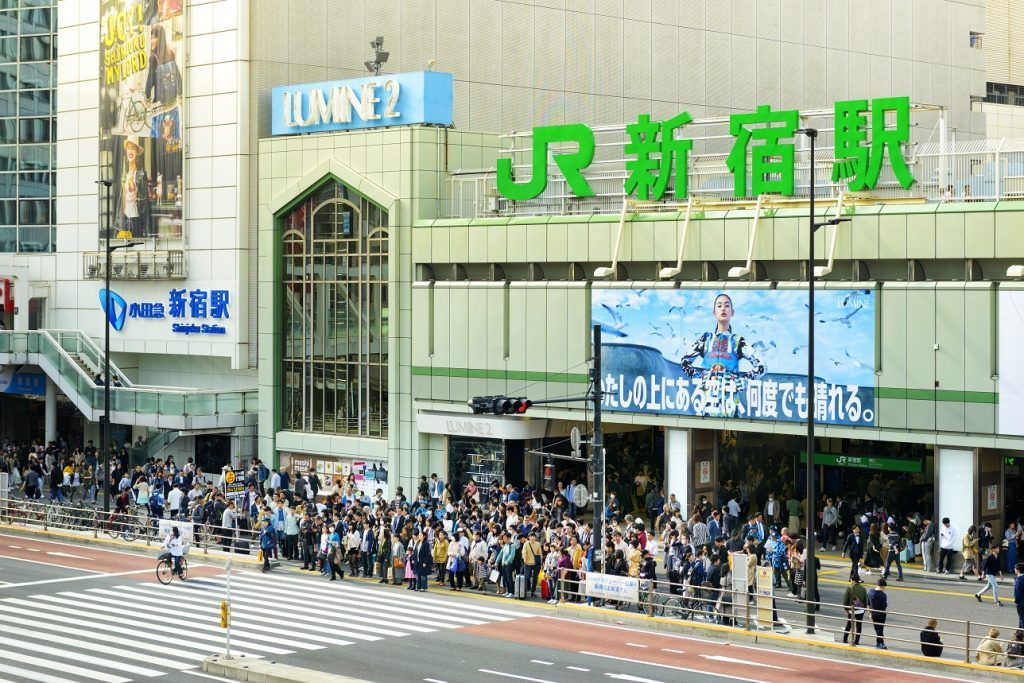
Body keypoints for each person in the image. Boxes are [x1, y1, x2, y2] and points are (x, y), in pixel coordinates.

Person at [679, 293, 766, 418]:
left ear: (732, 312)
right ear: (714, 313)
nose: (723, 309)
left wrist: (744, 380)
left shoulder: (737, 341)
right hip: (706, 401)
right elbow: (684, 361)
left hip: (729, 401)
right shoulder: (706, 339)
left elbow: (761, 365)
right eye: (719, 306)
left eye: (727, 305)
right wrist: (699, 378)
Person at [842, 576, 868, 646]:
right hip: (860, 610)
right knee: (859, 626)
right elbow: (865, 601)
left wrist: (846, 609)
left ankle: (845, 639)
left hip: (852, 610)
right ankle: (857, 641)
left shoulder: (849, 589)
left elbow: (845, 601)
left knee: (849, 625)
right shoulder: (863, 589)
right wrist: (864, 609)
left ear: (853, 580)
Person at [867, 578, 889, 649]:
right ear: (882, 586)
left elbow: (868, 603)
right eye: (884, 588)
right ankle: (880, 643)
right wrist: (886, 603)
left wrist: (869, 613)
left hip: (873, 613)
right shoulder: (883, 595)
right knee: (880, 629)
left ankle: (880, 643)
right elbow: (884, 606)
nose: (884, 589)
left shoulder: (870, 592)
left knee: (877, 629)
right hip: (881, 614)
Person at [1015, 562, 1024, 629]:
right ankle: (1019, 634)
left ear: (1017, 570)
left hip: (1021, 603)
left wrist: (1016, 602)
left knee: (1022, 618)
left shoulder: (1018, 580)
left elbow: (1017, 594)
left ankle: (1021, 634)